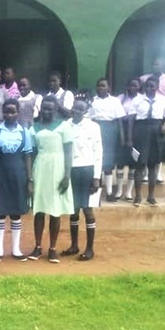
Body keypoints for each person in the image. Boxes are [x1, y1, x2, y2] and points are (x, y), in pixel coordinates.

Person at [27, 96, 74, 263]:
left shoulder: (64, 126)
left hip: (58, 168)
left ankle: (52, 248)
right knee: (39, 210)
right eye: (44, 108)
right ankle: (38, 246)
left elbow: (69, 152)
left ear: (55, 109)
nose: (47, 111)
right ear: (40, 109)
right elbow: (31, 154)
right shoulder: (34, 127)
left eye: (50, 108)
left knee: (55, 210)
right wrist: (30, 179)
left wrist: (67, 175)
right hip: (40, 167)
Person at [0, 99, 33, 262]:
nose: (9, 115)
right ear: (2, 113)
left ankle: (16, 249)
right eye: (6, 112)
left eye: (13, 112)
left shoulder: (24, 132)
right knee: (0, 212)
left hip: (18, 173)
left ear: (18, 113)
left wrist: (29, 179)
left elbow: (27, 156)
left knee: (15, 212)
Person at [63, 100, 102, 261]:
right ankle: (74, 245)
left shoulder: (93, 127)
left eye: (81, 109)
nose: (77, 111)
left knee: (87, 209)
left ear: (86, 111)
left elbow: (98, 151)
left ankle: (90, 248)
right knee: (73, 209)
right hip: (72, 170)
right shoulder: (66, 125)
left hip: (88, 169)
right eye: (75, 108)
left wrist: (96, 177)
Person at [127, 77, 165, 206]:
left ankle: (151, 196)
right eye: (147, 86)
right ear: (144, 87)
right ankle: (138, 196)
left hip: (156, 130)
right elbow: (131, 119)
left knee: (153, 165)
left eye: (153, 86)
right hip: (141, 131)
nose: (150, 88)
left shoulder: (162, 100)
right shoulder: (137, 100)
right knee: (140, 164)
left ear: (157, 87)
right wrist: (130, 138)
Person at [88, 78, 126, 202]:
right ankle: (96, 193)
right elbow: (89, 118)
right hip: (96, 128)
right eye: (98, 86)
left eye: (103, 86)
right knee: (96, 159)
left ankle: (109, 192)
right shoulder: (92, 101)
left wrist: (122, 136)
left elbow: (120, 120)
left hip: (110, 130)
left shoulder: (115, 101)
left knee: (108, 162)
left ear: (108, 88)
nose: (100, 88)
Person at [115, 77, 141, 201]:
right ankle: (119, 190)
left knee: (133, 163)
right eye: (131, 85)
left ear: (139, 87)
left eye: (136, 85)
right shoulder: (120, 98)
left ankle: (129, 192)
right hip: (122, 128)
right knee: (120, 162)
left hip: (137, 130)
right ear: (127, 86)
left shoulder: (142, 99)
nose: (133, 88)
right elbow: (118, 116)